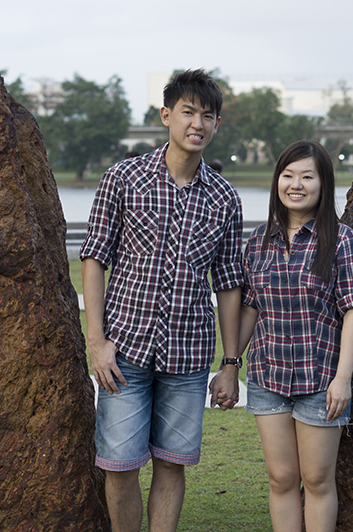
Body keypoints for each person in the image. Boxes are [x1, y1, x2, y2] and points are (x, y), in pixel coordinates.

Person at [80, 69, 243, 532]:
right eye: (189, 112)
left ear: (216, 126)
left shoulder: (225, 198)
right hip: (124, 351)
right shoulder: (124, 178)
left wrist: (230, 364)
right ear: (166, 115)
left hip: (188, 357)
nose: (198, 123)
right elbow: (95, 257)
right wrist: (97, 340)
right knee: (120, 465)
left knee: (172, 464)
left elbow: (229, 283)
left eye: (208, 116)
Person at [223, 140, 353, 531]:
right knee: (281, 479)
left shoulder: (342, 240)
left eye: (307, 176)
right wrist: (230, 362)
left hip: (320, 380)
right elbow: (251, 307)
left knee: (318, 480)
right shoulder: (258, 242)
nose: (296, 184)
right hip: (268, 377)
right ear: (277, 182)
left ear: (323, 184)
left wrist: (342, 380)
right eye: (288, 175)